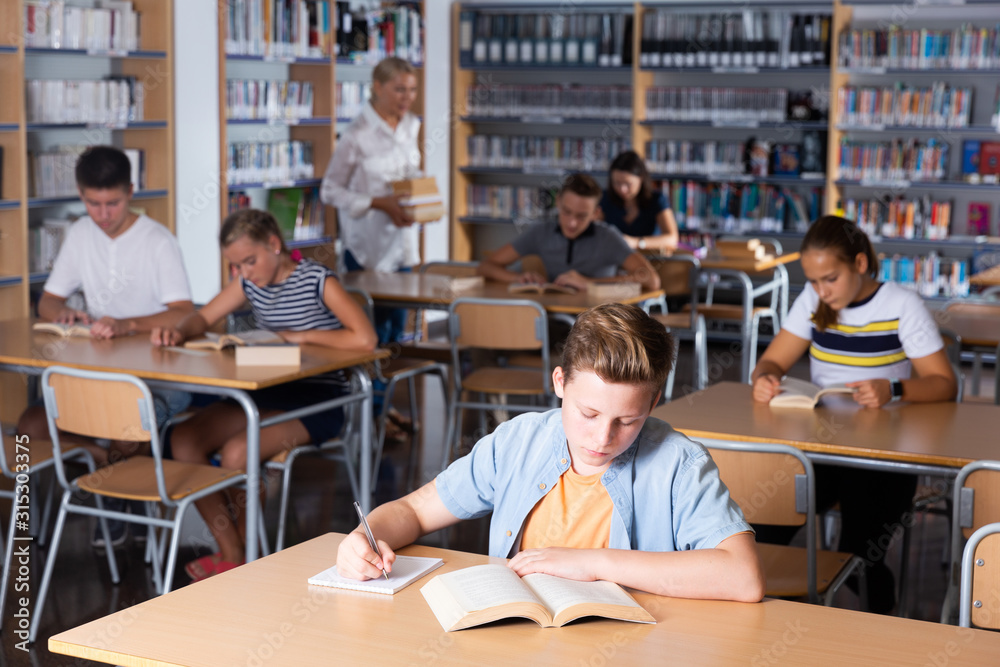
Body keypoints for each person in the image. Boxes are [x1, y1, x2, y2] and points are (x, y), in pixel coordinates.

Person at [337, 303, 766, 603]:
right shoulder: (519, 442)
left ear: (653, 405)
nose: (601, 437)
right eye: (588, 413)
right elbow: (413, 511)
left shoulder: (679, 464)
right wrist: (364, 539)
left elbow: (743, 577)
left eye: (627, 421)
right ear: (559, 383)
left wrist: (595, 564)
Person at [151, 209, 377, 581]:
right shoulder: (247, 284)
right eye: (236, 266)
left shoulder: (318, 280)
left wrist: (299, 335)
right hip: (267, 390)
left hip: (319, 400)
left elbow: (365, 338)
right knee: (185, 438)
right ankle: (234, 553)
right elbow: (203, 318)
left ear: (274, 245)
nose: (244, 272)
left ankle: (242, 558)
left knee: (239, 451)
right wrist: (179, 331)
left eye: (250, 261)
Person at [751, 214, 957, 613]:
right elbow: (771, 361)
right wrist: (766, 377)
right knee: (762, 527)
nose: (821, 290)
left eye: (830, 278)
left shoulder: (901, 304)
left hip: (880, 453)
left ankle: (877, 630)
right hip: (817, 445)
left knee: (862, 552)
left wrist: (893, 388)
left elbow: (945, 383)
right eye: (812, 281)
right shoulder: (812, 302)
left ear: (859, 264)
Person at [16, 144, 195, 548]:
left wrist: (128, 323)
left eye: (112, 203)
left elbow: (184, 312)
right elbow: (48, 299)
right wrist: (62, 312)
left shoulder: (157, 241)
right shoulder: (81, 233)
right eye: (93, 203)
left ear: (131, 191)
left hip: (158, 378)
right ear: (81, 196)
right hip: (95, 372)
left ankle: (115, 511)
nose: (103, 214)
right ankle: (96, 460)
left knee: (126, 426)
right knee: (30, 426)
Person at [320, 56, 422, 345]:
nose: (407, 97)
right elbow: (329, 190)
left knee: (396, 334)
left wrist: (425, 204)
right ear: (378, 86)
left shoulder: (410, 126)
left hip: (401, 247)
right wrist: (378, 203)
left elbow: (409, 176)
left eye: (412, 90)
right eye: (399, 89)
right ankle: (373, 390)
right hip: (366, 252)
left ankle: (390, 390)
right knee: (371, 336)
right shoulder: (356, 136)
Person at [477, 173, 661, 293]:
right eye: (566, 212)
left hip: (597, 328)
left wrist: (591, 284)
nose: (572, 223)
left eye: (581, 216)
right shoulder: (541, 232)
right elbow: (485, 266)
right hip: (556, 320)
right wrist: (517, 278)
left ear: (596, 214)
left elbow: (651, 279)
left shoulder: (608, 237)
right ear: (557, 203)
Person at [596, 150, 679, 254]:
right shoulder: (604, 198)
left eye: (628, 184)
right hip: (614, 259)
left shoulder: (656, 200)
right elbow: (593, 231)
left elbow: (672, 239)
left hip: (648, 260)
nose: (622, 189)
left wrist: (636, 243)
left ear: (641, 179)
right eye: (617, 183)